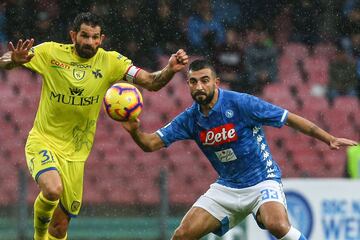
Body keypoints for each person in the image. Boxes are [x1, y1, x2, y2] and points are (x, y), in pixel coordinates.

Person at [0, 12, 188, 240]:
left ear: (102, 39)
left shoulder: (111, 62)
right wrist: (13, 61)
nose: (90, 42)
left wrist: (169, 69)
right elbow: (6, 59)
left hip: (77, 154)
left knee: (59, 228)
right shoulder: (50, 52)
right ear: (73, 35)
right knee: (52, 189)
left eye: (95, 37)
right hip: (44, 140)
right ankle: (38, 237)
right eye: (84, 36)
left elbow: (151, 82)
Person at [121, 59, 358, 240]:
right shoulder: (189, 119)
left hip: (262, 180)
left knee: (277, 226)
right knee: (181, 235)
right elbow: (150, 144)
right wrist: (133, 131)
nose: (199, 86)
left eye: (204, 80)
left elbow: (289, 118)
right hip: (228, 187)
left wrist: (328, 139)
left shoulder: (241, 103)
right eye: (193, 82)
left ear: (216, 82)